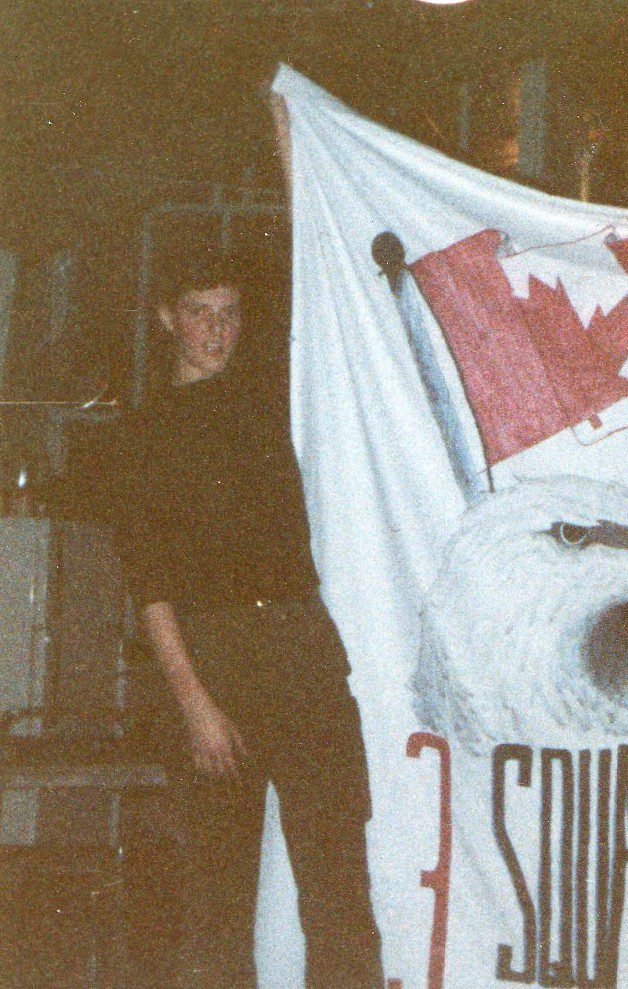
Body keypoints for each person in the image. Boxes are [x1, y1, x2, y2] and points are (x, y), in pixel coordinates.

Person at [115, 250, 384, 988]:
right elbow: (150, 585)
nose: (216, 329)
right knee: (217, 895)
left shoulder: (270, 401)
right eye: (199, 312)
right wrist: (195, 706)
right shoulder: (144, 432)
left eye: (230, 313)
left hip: (299, 649)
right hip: (212, 659)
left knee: (338, 886)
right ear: (167, 319)